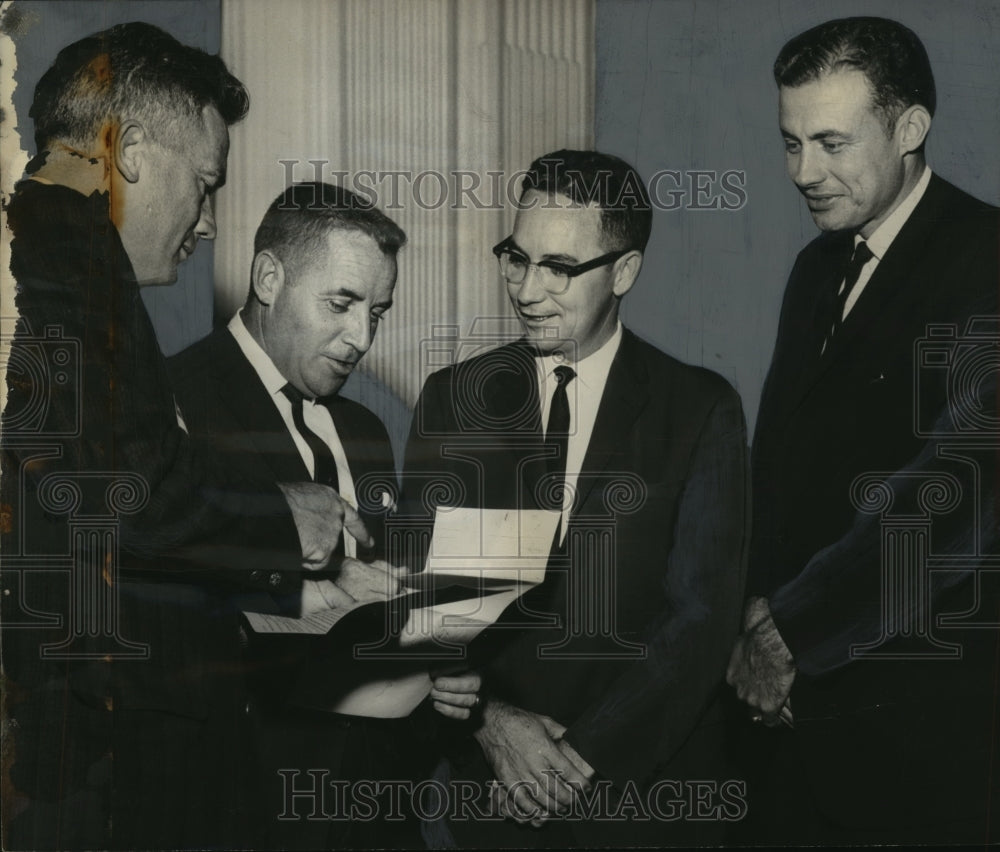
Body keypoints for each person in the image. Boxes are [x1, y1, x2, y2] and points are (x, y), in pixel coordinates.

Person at [0, 23, 371, 850]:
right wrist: (286, 519)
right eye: (204, 184)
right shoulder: (67, 267)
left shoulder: (39, 249)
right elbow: (129, 494)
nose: (206, 222)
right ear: (128, 148)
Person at [401, 149, 749, 847]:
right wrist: (491, 725)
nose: (528, 290)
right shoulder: (455, 400)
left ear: (624, 271)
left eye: (559, 268)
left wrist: (575, 761)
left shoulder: (699, 409)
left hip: (642, 803)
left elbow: (701, 620)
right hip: (496, 798)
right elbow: (425, 604)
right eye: (516, 258)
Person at [727, 16, 1000, 844]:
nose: (802, 172)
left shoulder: (986, 257)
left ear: (910, 129)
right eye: (791, 142)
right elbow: (775, 468)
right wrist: (744, 623)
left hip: (919, 737)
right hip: (786, 727)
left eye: (832, 143)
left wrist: (785, 634)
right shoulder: (818, 265)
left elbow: (955, 494)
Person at [167, 181, 480, 848]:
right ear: (269, 277)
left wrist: (439, 670)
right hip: (242, 813)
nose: (360, 337)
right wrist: (323, 596)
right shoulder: (175, 405)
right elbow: (172, 620)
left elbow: (390, 602)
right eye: (341, 304)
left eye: (378, 312)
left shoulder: (366, 427)